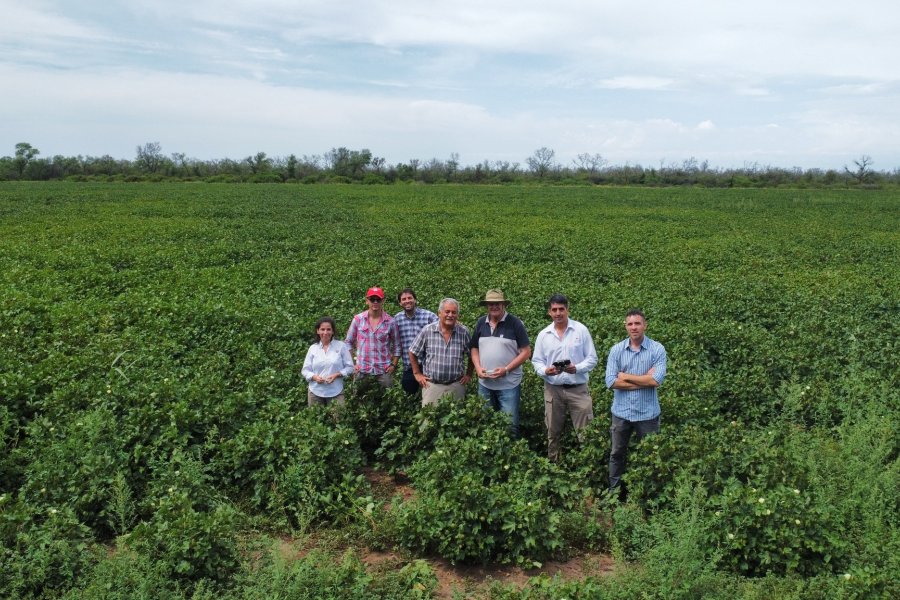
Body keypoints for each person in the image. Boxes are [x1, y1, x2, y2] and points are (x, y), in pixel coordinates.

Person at [605, 309, 667, 500]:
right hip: (621, 413)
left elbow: (656, 380)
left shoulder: (657, 349)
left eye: (637, 323)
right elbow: (611, 382)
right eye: (630, 324)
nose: (634, 327)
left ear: (645, 325)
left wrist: (625, 377)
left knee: (650, 456)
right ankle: (614, 493)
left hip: (647, 414)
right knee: (616, 454)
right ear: (625, 326)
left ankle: (648, 496)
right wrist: (643, 380)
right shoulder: (616, 350)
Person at [531, 294, 598, 462]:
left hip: (578, 389)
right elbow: (536, 361)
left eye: (561, 309)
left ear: (568, 310)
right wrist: (545, 371)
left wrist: (577, 368)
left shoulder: (580, 330)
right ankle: (554, 465)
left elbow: (592, 358)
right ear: (549, 312)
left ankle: (589, 467)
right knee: (553, 433)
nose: (558, 313)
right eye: (554, 310)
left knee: (586, 432)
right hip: (553, 390)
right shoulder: (543, 335)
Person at [469, 289, 531, 437]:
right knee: (485, 424)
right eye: (490, 304)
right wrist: (477, 367)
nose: (494, 306)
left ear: (504, 305)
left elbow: (526, 351)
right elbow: (474, 348)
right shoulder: (480, 323)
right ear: (486, 306)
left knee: (510, 426)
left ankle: (510, 456)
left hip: (509, 385)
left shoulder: (515, 323)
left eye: (497, 303)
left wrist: (506, 369)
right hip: (485, 385)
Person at [408, 298, 473, 406]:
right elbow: (412, 351)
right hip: (432, 386)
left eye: (454, 312)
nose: (450, 315)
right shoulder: (427, 330)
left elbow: (472, 354)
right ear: (439, 313)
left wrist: (469, 374)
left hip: (456, 385)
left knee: (456, 419)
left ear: (457, 315)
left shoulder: (463, 332)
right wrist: (417, 373)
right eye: (447, 312)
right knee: (429, 420)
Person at [344, 286, 401, 393]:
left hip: (384, 369)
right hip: (361, 369)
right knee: (358, 399)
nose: (375, 302)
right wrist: (352, 364)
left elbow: (397, 345)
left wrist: (393, 365)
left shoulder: (391, 321)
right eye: (372, 299)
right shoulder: (358, 319)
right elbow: (348, 342)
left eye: (378, 299)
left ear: (383, 301)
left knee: (389, 398)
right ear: (367, 301)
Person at [301, 316, 355, 406]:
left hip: (336, 391)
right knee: (315, 419)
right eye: (322, 329)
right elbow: (305, 370)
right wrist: (314, 377)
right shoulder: (313, 348)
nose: (325, 332)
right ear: (318, 331)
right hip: (315, 391)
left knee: (339, 419)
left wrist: (337, 374)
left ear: (333, 331)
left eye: (328, 329)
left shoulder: (341, 346)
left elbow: (350, 367)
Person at [394, 288, 438, 395]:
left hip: (428, 364)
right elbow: (393, 343)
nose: (407, 301)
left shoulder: (428, 316)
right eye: (403, 299)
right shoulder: (396, 319)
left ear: (415, 300)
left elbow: (443, 325)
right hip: (408, 365)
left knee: (430, 394)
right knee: (409, 392)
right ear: (400, 303)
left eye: (410, 298)